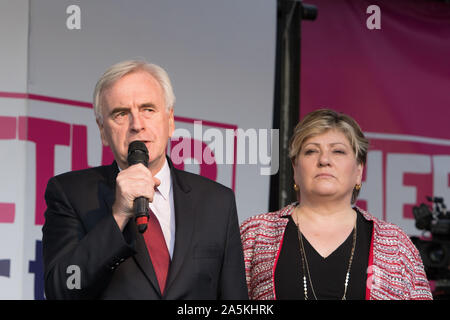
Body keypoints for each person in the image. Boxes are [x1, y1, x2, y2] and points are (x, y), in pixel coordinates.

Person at [42, 59, 248, 300]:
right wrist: (118, 216)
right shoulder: (70, 193)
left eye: (148, 109)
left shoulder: (217, 201)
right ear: (102, 130)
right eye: (121, 114)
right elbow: (62, 288)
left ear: (170, 121)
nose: (137, 125)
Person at [240, 109, 432, 300]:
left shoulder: (396, 244)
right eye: (311, 151)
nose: (324, 160)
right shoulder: (255, 233)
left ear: (359, 170)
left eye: (338, 151)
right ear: (295, 169)